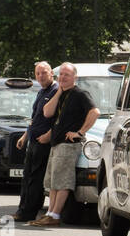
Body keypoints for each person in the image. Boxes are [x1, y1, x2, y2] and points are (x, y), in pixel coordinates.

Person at [31, 62, 98, 226]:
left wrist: (80, 133)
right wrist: (59, 91)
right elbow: (47, 112)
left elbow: (94, 112)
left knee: (62, 181)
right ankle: (49, 213)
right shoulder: (61, 94)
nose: (62, 77)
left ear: (75, 77)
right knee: (53, 181)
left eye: (66, 75)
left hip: (68, 144)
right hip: (56, 143)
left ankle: (55, 215)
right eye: (60, 74)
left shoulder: (80, 94)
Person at [14, 62, 58, 222]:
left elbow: (60, 119)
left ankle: (28, 213)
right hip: (33, 140)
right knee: (26, 177)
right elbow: (35, 119)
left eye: (44, 73)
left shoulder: (56, 91)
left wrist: (49, 135)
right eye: (37, 73)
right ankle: (21, 210)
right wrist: (25, 136)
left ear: (51, 73)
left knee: (35, 179)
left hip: (44, 143)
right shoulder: (41, 92)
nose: (40, 76)